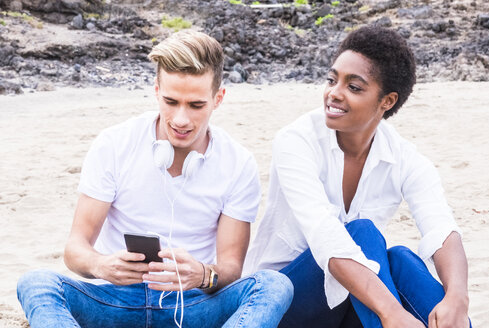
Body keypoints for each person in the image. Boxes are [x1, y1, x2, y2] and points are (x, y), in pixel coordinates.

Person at [17, 30, 293, 328]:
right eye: (171, 101)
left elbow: (230, 268)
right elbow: (75, 248)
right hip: (114, 299)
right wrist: (101, 265)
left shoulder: (238, 163)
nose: (181, 119)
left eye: (196, 105)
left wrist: (201, 274)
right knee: (37, 283)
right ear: (156, 90)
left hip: (192, 303)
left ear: (218, 98)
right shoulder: (115, 143)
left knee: (273, 285)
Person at [244, 25, 471, 328]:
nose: (333, 93)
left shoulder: (402, 157)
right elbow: (326, 235)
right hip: (283, 303)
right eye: (332, 79)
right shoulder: (296, 140)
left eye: (354, 87)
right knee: (361, 232)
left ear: (387, 101)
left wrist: (458, 296)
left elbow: (439, 225)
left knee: (401, 258)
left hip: (351, 304)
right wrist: (392, 313)